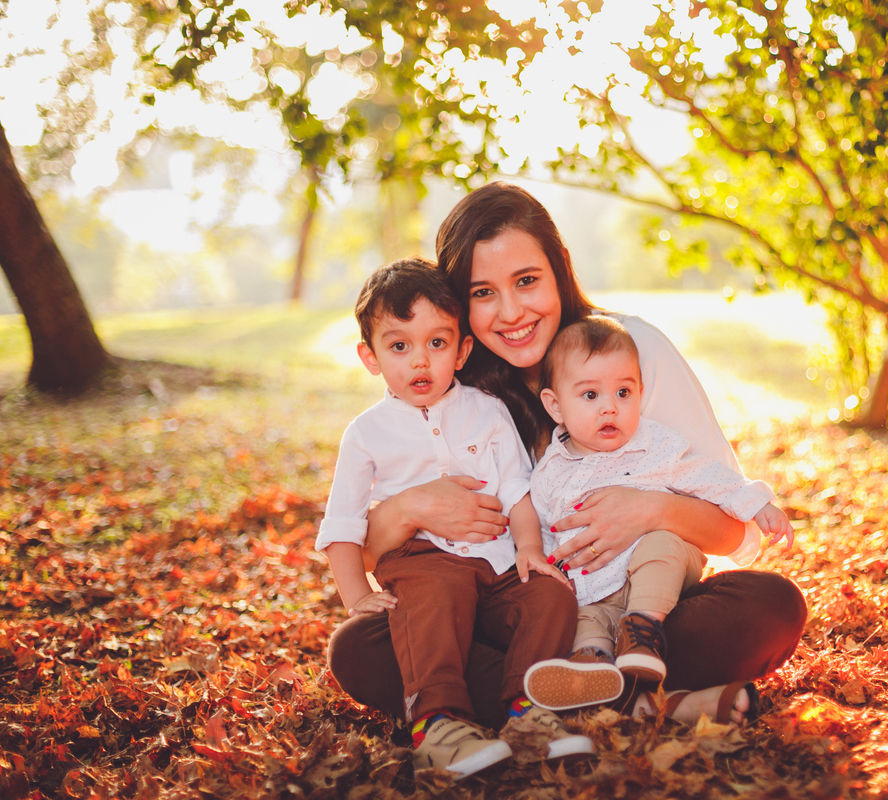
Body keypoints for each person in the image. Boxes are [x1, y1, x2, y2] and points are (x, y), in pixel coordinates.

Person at [327, 182, 808, 730]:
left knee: (770, 605)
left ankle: (568, 696)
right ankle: (626, 701)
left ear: (561, 269)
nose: (511, 312)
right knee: (362, 647)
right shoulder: (451, 388)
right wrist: (409, 508)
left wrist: (652, 510)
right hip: (521, 612)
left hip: (646, 610)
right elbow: (373, 556)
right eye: (483, 292)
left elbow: (731, 534)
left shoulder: (631, 352)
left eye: (527, 281)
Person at [316, 258, 591, 779]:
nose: (420, 361)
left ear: (463, 350)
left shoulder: (487, 410)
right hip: (424, 564)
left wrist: (530, 550)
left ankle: (528, 711)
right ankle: (438, 724)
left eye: (437, 344)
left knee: (551, 595)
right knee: (433, 597)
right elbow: (342, 526)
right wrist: (356, 599)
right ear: (370, 357)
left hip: (499, 565)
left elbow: (517, 490)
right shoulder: (366, 433)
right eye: (399, 346)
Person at [522, 316, 795, 711]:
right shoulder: (551, 469)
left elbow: (706, 478)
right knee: (583, 620)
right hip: (592, 592)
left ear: (640, 393)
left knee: (660, 544)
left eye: (623, 392)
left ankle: (642, 628)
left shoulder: (655, 446)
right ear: (555, 405)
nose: (610, 408)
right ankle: (594, 669)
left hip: (660, 584)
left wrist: (756, 504)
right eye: (590, 396)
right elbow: (548, 528)